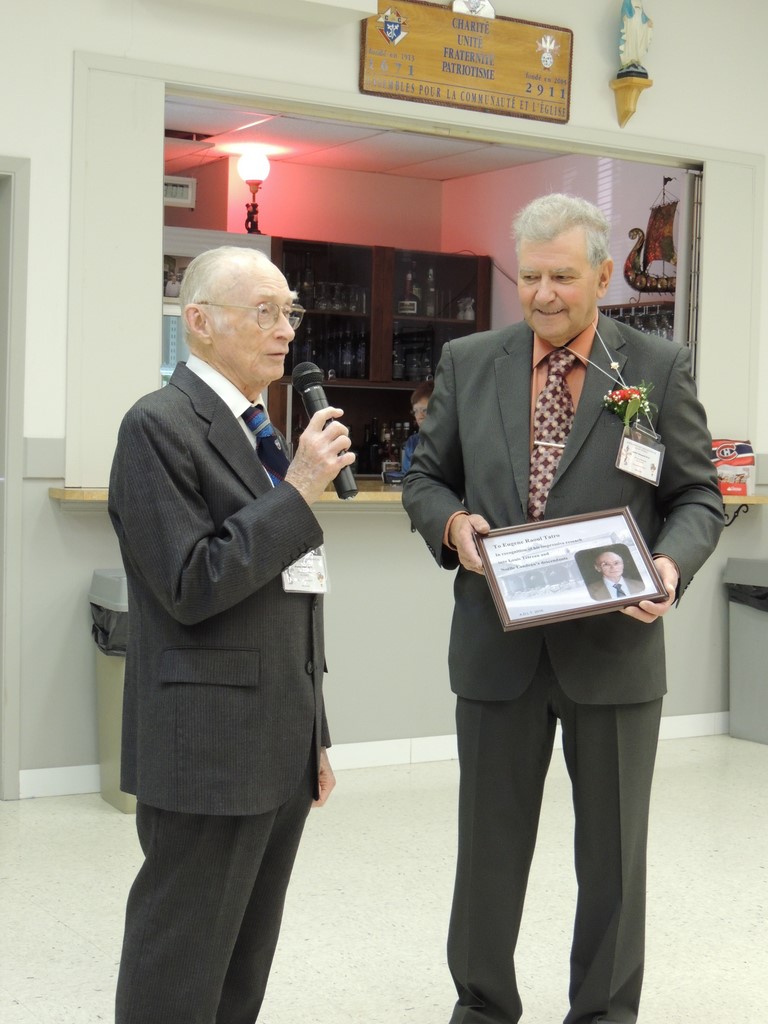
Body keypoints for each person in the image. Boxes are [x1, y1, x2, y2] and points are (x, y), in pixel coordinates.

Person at [402, 193, 723, 1024]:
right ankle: (482, 1007)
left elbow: (697, 496)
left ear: (604, 275)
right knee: (488, 850)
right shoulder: (471, 360)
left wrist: (667, 567)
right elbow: (425, 477)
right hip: (496, 649)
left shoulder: (655, 368)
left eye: (563, 277)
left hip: (614, 652)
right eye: (531, 277)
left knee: (613, 859)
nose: (543, 294)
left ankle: (605, 1013)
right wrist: (453, 526)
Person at [108, 245, 355, 1024]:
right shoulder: (157, 426)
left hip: (276, 739)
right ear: (200, 323)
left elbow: (290, 594)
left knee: (243, 965)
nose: (286, 330)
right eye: (264, 312)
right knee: (179, 964)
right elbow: (191, 583)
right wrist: (299, 490)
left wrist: (312, 735)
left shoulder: (256, 428)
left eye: (289, 312)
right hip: (207, 746)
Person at [401, 380, 434, 472]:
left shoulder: (454, 441)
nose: (419, 417)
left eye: (425, 410)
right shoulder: (413, 442)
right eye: (415, 411)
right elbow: (407, 477)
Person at [619, 0, 653, 74]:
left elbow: (643, 16)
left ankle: (636, 59)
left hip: (638, 27)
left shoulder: (639, 2)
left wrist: (648, 21)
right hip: (630, 25)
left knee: (637, 42)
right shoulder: (627, 1)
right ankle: (628, 60)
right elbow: (625, 12)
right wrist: (626, 17)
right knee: (630, 42)